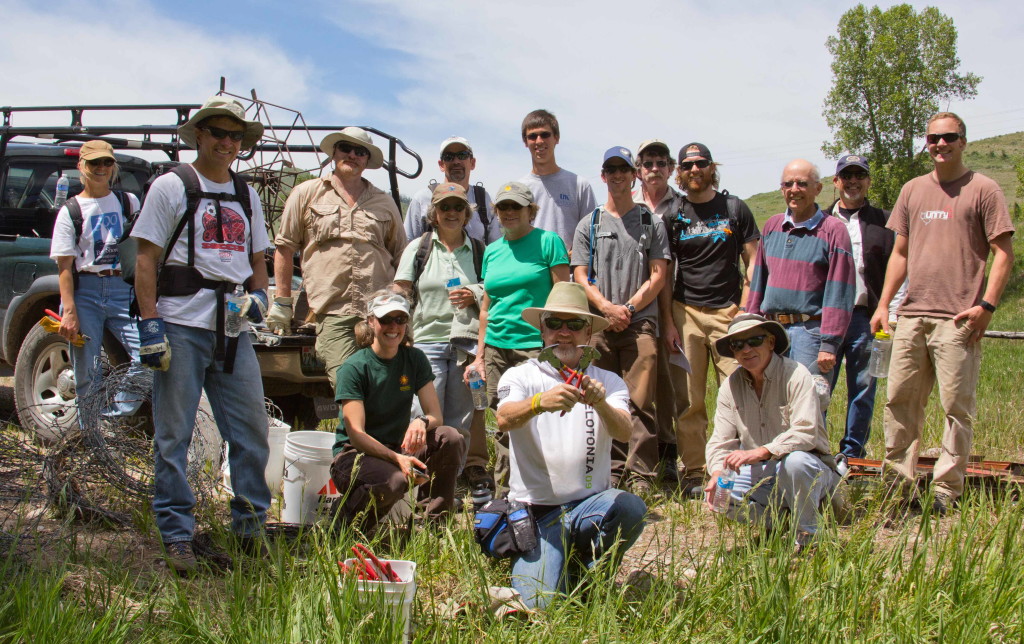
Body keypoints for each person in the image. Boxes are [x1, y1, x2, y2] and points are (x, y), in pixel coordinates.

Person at [132, 96, 271, 573]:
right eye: (218, 133)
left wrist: (262, 297)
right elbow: (146, 258)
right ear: (199, 136)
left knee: (252, 432)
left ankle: (251, 530)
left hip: (233, 328)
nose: (228, 143)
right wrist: (151, 325)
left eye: (236, 136)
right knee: (175, 434)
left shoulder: (246, 194)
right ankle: (176, 533)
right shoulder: (172, 186)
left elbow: (258, 260)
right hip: (181, 323)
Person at [871, 112, 1015, 513]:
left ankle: (945, 492)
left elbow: (1003, 253)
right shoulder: (913, 190)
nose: (940, 144)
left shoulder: (984, 189)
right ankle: (897, 487)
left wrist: (986, 306)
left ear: (963, 141)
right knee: (899, 402)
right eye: (933, 138)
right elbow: (900, 253)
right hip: (912, 316)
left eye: (948, 137)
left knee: (956, 408)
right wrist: (884, 304)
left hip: (958, 318)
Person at [496, 282, 646, 609]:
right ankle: (563, 563)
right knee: (540, 606)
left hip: (590, 506)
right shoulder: (520, 376)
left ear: (589, 331)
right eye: (554, 323)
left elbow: (623, 432)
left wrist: (602, 405)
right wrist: (538, 402)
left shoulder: (608, 382)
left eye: (575, 324)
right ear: (542, 329)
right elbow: (503, 419)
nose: (564, 332)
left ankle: (593, 569)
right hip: (536, 512)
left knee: (632, 507)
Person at [660, 142, 761, 494]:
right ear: (680, 171)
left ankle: (740, 469)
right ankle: (694, 470)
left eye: (700, 163)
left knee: (738, 394)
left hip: (729, 314)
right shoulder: (673, 214)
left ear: (711, 167)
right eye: (687, 165)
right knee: (689, 400)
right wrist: (669, 322)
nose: (694, 170)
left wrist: (746, 311)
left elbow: (755, 263)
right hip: (685, 312)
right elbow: (664, 270)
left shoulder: (735, 208)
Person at [269, 127, 406, 386]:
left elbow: (401, 258)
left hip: (379, 313)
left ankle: (365, 428)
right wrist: (281, 303)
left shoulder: (384, 203)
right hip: (332, 312)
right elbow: (285, 248)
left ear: (367, 160)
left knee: (381, 387)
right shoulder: (306, 193)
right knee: (348, 386)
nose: (352, 155)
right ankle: (356, 427)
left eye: (360, 151)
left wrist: (400, 306)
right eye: (346, 148)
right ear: (334, 152)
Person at [571, 146, 670, 493]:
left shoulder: (650, 222)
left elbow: (658, 274)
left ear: (634, 175)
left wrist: (626, 308)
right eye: (610, 170)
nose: (617, 175)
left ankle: (642, 474)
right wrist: (606, 310)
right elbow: (580, 275)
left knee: (641, 401)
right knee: (600, 398)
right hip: (598, 325)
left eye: (623, 169)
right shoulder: (590, 223)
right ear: (603, 176)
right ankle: (610, 470)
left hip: (639, 323)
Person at [329, 290, 465, 530]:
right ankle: (346, 524)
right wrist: (397, 459)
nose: (393, 326)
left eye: (400, 319)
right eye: (385, 319)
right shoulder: (354, 368)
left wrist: (421, 421)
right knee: (395, 480)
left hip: (397, 448)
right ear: (371, 321)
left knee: (450, 437)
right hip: (354, 456)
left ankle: (432, 525)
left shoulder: (414, 359)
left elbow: (436, 416)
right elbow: (356, 435)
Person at [705, 314, 840, 552]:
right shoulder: (730, 385)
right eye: (737, 345)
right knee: (721, 494)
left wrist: (761, 451)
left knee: (796, 463)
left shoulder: (796, 374)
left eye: (754, 341)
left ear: (771, 342)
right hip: (761, 472)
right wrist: (716, 473)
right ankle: (781, 525)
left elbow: (806, 432)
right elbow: (720, 441)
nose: (746, 349)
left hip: (809, 466)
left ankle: (810, 537)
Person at [468, 181, 570, 491]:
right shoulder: (493, 251)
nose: (509, 212)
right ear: (496, 212)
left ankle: (547, 488)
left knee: (542, 419)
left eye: (516, 206)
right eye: (503, 207)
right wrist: (480, 354)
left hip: (535, 348)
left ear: (531, 211)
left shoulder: (548, 242)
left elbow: (563, 298)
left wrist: (562, 345)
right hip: (498, 348)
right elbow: (487, 307)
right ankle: (506, 490)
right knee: (504, 421)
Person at [49, 140, 146, 429]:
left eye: (106, 163)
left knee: (149, 356)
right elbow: (64, 267)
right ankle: (91, 441)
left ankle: (106, 418)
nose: (101, 168)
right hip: (86, 291)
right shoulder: (71, 210)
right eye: (94, 163)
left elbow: (143, 249)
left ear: (113, 166)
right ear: (82, 166)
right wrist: (69, 310)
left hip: (123, 290)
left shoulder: (129, 202)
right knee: (87, 372)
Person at [394, 183, 483, 471]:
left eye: (458, 207)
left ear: (467, 214)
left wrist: (475, 292)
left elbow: (493, 293)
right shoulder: (418, 248)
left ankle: (450, 481)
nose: (452, 213)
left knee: (460, 420)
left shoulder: (480, 251)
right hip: (426, 343)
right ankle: (419, 478)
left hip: (465, 344)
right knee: (423, 416)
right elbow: (401, 290)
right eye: (445, 207)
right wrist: (401, 334)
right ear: (434, 212)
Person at [747, 159, 855, 383]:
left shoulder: (833, 230)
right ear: (781, 189)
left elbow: (839, 291)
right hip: (771, 333)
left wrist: (829, 343)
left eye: (802, 184)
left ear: (818, 188)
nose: (794, 190)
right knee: (771, 404)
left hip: (810, 333)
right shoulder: (772, 226)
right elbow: (758, 282)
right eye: (788, 184)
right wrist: (752, 328)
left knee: (809, 406)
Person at [822, 155, 895, 461]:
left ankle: (853, 455)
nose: (853, 181)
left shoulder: (886, 221)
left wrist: (891, 309)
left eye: (859, 175)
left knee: (864, 390)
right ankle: (816, 452)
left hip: (868, 318)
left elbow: (898, 268)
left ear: (868, 181)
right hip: (825, 319)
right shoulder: (820, 221)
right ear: (836, 181)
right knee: (818, 389)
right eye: (846, 175)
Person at [631, 139, 686, 482]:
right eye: (647, 162)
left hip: (676, 300)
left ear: (670, 169)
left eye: (660, 162)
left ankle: (668, 450)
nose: (654, 168)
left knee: (668, 381)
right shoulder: (625, 204)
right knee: (637, 384)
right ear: (638, 170)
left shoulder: (681, 206)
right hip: (634, 303)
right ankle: (631, 454)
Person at [518, 109, 597, 251]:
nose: (539, 141)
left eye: (545, 134)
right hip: (532, 270)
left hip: (570, 271)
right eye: (532, 136)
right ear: (525, 142)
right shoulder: (519, 188)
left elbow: (592, 234)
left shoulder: (579, 185)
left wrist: (574, 257)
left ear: (557, 138)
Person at [404, 137, 501, 244]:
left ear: (472, 163)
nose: (456, 161)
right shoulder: (422, 199)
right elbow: (407, 245)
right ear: (441, 165)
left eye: (462, 155)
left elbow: (495, 248)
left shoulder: (483, 199)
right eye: (449, 157)